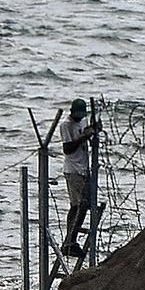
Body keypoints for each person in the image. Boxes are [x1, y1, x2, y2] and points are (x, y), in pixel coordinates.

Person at [59, 98, 98, 258]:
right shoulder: (66, 125)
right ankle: (70, 241)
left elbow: (85, 135)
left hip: (83, 169)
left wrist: (92, 131)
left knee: (78, 206)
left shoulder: (82, 122)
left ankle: (70, 240)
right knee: (80, 205)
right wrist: (84, 137)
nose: (79, 118)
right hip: (73, 170)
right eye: (77, 115)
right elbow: (67, 148)